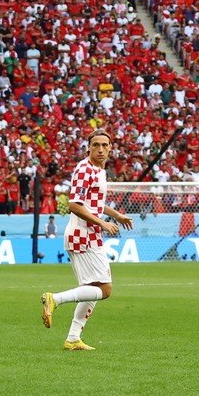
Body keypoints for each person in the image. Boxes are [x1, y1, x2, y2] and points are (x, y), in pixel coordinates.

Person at [39, 130, 133, 351]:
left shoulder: (99, 171)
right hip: (83, 235)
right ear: (88, 148)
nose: (100, 149)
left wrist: (116, 215)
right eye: (96, 145)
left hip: (89, 234)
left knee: (91, 288)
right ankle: (55, 299)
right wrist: (102, 223)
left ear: (110, 148)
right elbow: (74, 205)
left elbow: (95, 203)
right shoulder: (84, 169)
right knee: (106, 290)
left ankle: (73, 338)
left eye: (105, 145)